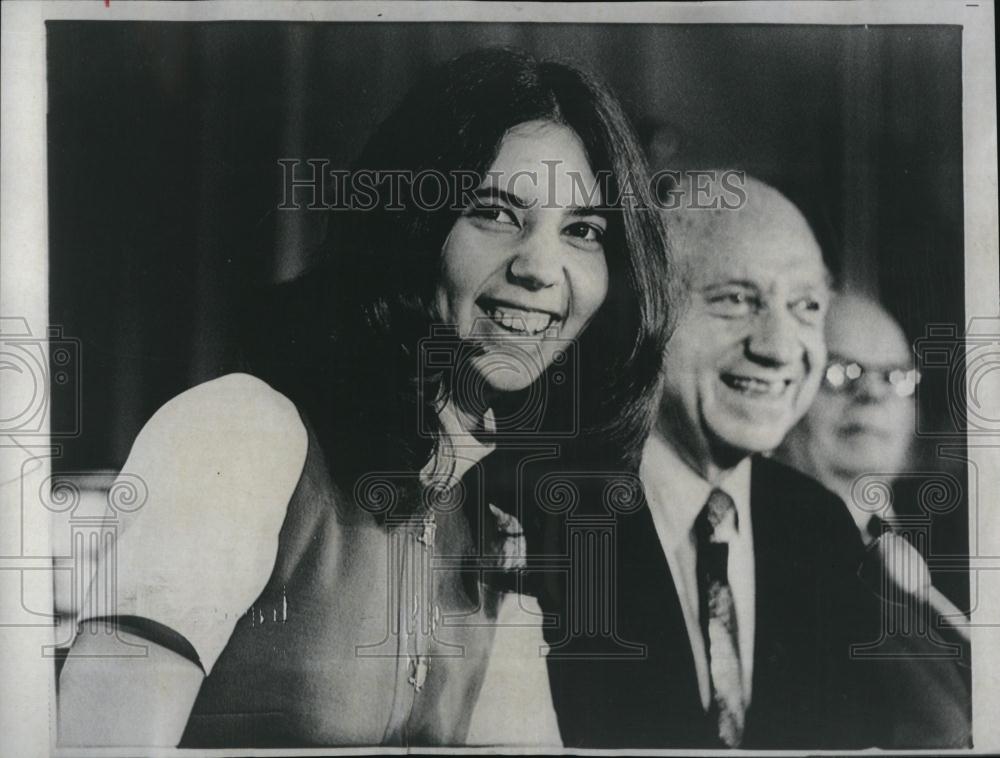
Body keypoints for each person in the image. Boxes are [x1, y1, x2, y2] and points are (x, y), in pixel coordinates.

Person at [57, 47, 670, 748]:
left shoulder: (492, 524)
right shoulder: (240, 433)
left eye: (583, 232)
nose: (540, 268)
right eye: (495, 213)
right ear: (406, 227)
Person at [543, 173, 888, 749]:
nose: (779, 347)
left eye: (806, 306)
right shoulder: (550, 521)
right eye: (734, 299)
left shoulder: (820, 528)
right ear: (648, 311)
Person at [778, 292, 971, 748]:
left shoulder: (960, 545)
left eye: (896, 377)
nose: (872, 394)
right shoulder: (769, 560)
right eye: (840, 372)